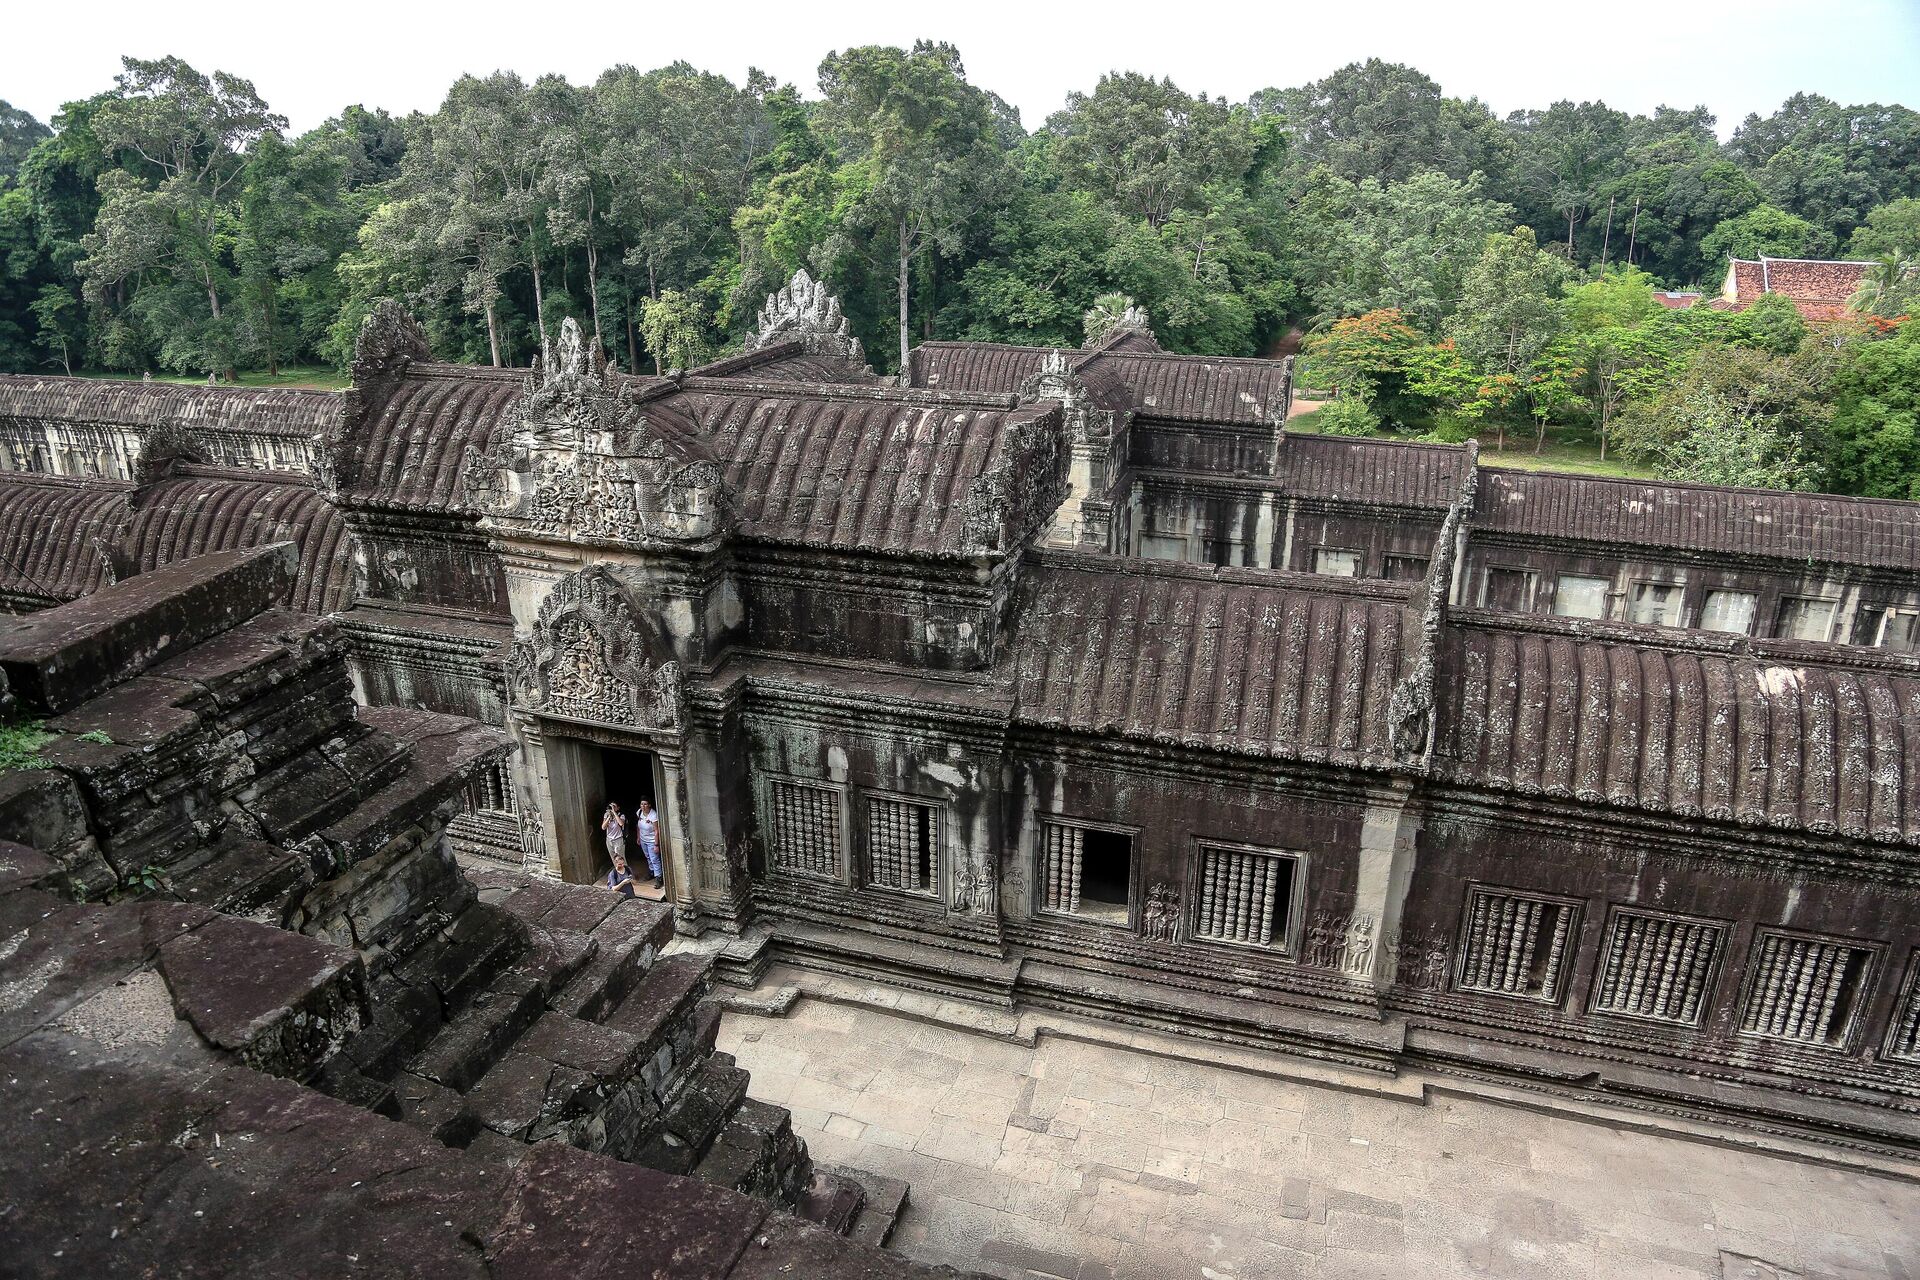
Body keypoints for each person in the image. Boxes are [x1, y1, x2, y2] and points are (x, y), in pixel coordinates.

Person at [635, 798, 662, 888]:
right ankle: (652, 871)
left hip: (651, 841)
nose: (643, 806)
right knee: (648, 857)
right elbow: (638, 825)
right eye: (642, 804)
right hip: (643, 839)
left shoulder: (653, 815)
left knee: (654, 859)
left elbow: (656, 831)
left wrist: (656, 844)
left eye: (645, 804)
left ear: (649, 805)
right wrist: (638, 837)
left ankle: (659, 877)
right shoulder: (639, 812)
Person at [601, 801, 627, 870]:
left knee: (621, 858)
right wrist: (609, 817)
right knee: (614, 859)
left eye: (614, 806)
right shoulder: (606, 815)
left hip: (618, 839)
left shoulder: (621, 815)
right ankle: (619, 873)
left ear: (618, 808)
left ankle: (627, 875)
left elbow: (621, 823)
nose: (612, 808)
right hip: (609, 840)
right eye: (611, 806)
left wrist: (614, 813)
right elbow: (603, 827)